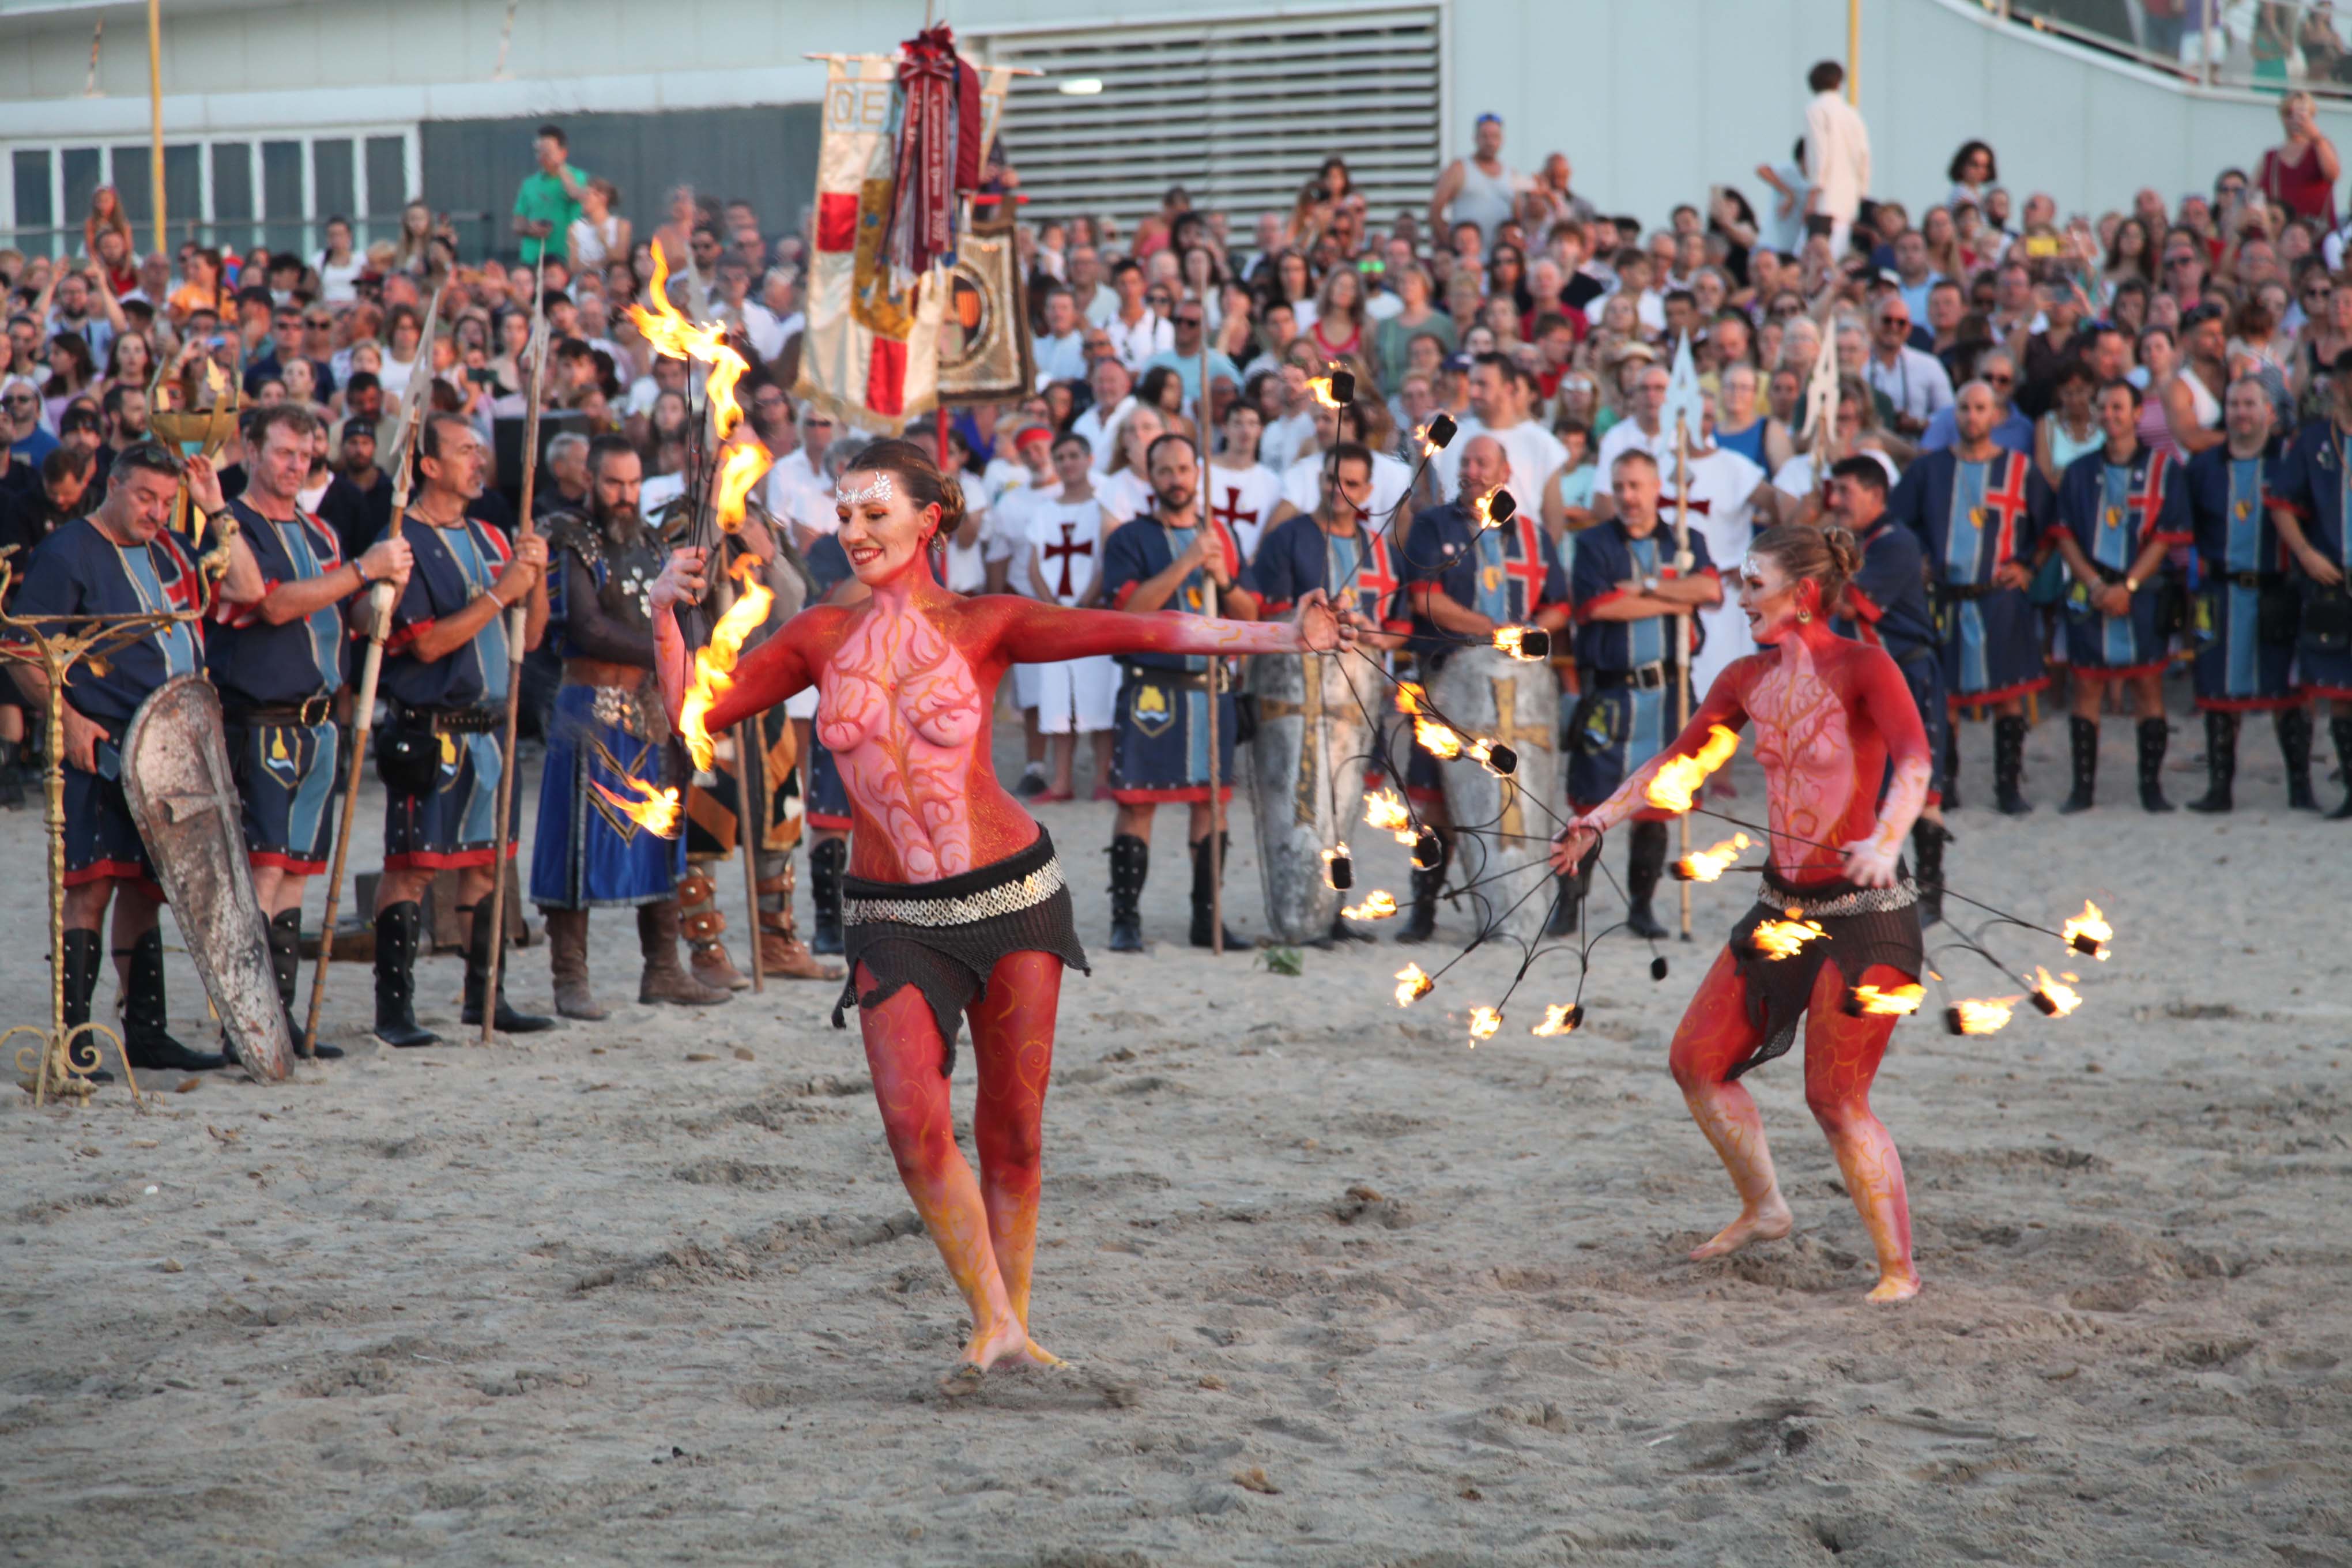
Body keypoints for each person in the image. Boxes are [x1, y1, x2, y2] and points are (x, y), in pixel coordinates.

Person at [647, 438, 1349, 1388]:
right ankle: (994, 1319)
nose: (852, 533)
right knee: (913, 1128)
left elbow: (1132, 633)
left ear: (928, 519)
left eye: (874, 515)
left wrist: (1279, 637)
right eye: (843, 516)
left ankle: (1007, 1324)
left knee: (1013, 1130)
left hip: (1012, 895)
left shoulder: (987, 621)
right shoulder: (818, 636)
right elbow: (693, 716)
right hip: (891, 911)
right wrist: (663, 615)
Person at [1551, 521, 1931, 1306]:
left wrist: (1887, 839)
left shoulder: (1865, 666)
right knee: (1696, 1061)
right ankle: (1765, 1208)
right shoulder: (1743, 678)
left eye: (1753, 582)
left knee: (1834, 1098)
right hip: (1783, 907)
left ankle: (1898, 1269)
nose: (1739, 593)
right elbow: (1678, 765)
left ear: (1804, 593)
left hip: (1867, 913)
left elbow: (1916, 758)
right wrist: (1600, 817)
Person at [4, 442, 226, 1072]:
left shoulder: (172, 549)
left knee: (147, 890)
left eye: (166, 500)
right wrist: (67, 718)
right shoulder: (70, 551)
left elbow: (237, 588)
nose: (157, 511)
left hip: (169, 751)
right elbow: (22, 650)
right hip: (98, 749)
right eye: (145, 496)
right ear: (114, 485)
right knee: (93, 885)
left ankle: (147, 1033)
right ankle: (74, 1041)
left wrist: (215, 509)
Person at [210, 405, 413, 1060]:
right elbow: (269, 604)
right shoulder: (231, 527)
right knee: (264, 875)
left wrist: (381, 589)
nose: (297, 464)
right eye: (284, 452)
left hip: (318, 722)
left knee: (296, 874)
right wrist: (362, 568)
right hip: (261, 720)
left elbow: (343, 609)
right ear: (251, 449)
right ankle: (247, 1019)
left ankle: (283, 1015)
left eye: (306, 453)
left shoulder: (321, 530)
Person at [529, 435, 735, 1019]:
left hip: (649, 711)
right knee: (576, 848)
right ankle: (570, 978)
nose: (625, 495)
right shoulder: (569, 537)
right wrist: (665, 647)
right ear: (592, 480)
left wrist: (694, 655)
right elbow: (588, 627)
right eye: (615, 483)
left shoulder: (649, 543)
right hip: (588, 709)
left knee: (661, 838)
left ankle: (663, 969)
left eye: (634, 483)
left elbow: (682, 613)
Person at [370, 415, 554, 1046]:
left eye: (480, 449)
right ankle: (394, 1010)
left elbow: (528, 639)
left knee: (486, 867)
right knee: (414, 868)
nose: (479, 461)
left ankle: (486, 998)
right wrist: (506, 591)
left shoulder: (492, 536)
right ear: (429, 465)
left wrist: (538, 574)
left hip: (491, 732)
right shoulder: (404, 541)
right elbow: (426, 645)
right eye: (464, 450)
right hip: (431, 730)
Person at [1100, 434, 1265, 951]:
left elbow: (1250, 616)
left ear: (1198, 474)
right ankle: (1125, 920)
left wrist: (1224, 578)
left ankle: (1206, 920)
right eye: (1164, 470)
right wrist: (1189, 561)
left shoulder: (1221, 536)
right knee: (1138, 803)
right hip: (1154, 692)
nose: (1175, 479)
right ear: (1151, 478)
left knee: (1211, 803)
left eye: (1183, 469)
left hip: (1211, 690)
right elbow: (1130, 614)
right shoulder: (1130, 539)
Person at [1562, 449, 1723, 938]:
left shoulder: (1685, 540)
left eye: (1637, 486)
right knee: (1591, 805)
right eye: (1620, 486)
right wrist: (1676, 593)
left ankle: (1641, 908)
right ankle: (1570, 908)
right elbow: (1599, 606)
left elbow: (1711, 590)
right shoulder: (1593, 543)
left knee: (1655, 805)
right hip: (1612, 693)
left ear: (1657, 489)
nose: (1628, 497)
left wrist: (1649, 586)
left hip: (1668, 693)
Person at [2046, 380, 2192, 814]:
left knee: (2149, 688)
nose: (2109, 414)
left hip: (2142, 594)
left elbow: (2166, 537)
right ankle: (2083, 790)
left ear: (2135, 414)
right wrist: (2095, 585)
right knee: (2086, 687)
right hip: (2091, 593)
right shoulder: (2078, 471)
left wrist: (2126, 586)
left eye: (2118, 407)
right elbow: (2065, 535)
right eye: (2103, 407)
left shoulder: (2164, 470)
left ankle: (2151, 788)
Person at [1823, 455, 1952, 923]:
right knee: (1871, 788)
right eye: (1833, 491)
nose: (1835, 502)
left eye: (1845, 492)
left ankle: (1932, 894)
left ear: (1877, 495)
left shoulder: (1895, 543)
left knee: (1921, 789)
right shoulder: (1860, 542)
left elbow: (1851, 605)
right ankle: (1884, 887)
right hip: (1874, 686)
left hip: (1910, 678)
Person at [2183, 378, 2313, 813]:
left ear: (2269, 412)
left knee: (2287, 692)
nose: (2241, 412)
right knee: (2218, 691)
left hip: (2276, 591)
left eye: (2250, 404)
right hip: (2220, 593)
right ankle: (2220, 789)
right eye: (2234, 404)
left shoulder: (2289, 462)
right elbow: (2187, 531)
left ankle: (2300, 787)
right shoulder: (2203, 467)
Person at [2264, 359, 2352, 818]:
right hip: (2332, 580)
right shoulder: (2315, 440)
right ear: (2338, 386)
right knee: (2339, 690)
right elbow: (2281, 502)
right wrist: (2305, 553)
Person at [1022, 433, 1117, 802]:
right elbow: (1034, 567)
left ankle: (1103, 780)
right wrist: (1055, 610)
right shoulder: (1045, 512)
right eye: (1060, 457)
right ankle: (1061, 782)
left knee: (1099, 699)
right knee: (1058, 700)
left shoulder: (1102, 509)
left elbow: (1106, 562)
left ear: (1090, 459)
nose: (1067, 463)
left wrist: (1082, 606)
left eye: (1074, 455)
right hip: (1055, 619)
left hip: (1093, 615)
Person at [1427, 113, 1528, 249]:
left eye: (1495, 137)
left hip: (1498, 263)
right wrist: (1450, 245)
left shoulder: (1511, 174)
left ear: (1502, 140)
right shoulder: (1459, 168)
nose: (1490, 142)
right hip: (1467, 260)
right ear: (1475, 138)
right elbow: (1435, 210)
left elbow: (1518, 218)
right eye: (1484, 136)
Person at [1803, 61, 1871, 257]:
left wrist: (1813, 198)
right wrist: (1862, 195)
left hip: (1825, 202)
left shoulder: (1816, 109)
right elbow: (1864, 158)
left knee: (1816, 258)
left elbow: (1818, 153)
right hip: (1849, 201)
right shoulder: (1853, 114)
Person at [2256, 91, 2340, 228]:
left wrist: (2316, 136)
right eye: (2289, 115)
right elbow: (2254, 194)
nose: (2295, 121)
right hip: (2283, 236)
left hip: (2317, 233)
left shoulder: (2321, 146)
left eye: (2302, 116)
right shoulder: (2271, 157)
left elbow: (2333, 174)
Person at [513, 124, 590, 268]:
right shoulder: (529, 184)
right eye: (538, 152)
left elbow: (575, 194)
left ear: (563, 153)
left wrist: (561, 168)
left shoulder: (579, 177)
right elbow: (517, 223)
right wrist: (530, 229)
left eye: (547, 152)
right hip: (533, 258)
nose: (541, 158)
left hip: (564, 257)